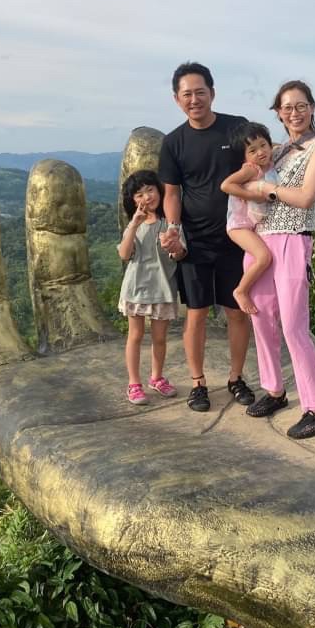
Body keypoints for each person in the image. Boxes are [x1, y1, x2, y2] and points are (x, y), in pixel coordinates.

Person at [238, 80, 315, 439]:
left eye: (300, 105)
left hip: (294, 240)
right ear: (278, 113)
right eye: (287, 107)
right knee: (261, 318)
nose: (294, 113)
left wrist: (267, 189)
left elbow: (306, 198)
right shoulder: (275, 151)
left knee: (294, 326)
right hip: (261, 242)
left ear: (312, 107)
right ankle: (275, 390)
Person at [157, 62, 256, 412]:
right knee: (196, 313)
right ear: (177, 99)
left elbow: (257, 164)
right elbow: (172, 193)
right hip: (195, 241)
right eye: (187, 94)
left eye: (200, 92)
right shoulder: (173, 142)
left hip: (237, 236)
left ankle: (236, 377)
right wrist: (173, 229)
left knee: (236, 311)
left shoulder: (236, 128)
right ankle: (198, 383)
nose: (194, 99)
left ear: (212, 93)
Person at [116, 170, 185, 405]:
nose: (147, 197)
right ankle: (134, 384)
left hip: (163, 289)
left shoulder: (171, 224)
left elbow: (180, 254)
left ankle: (156, 378)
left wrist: (173, 246)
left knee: (160, 338)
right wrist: (134, 225)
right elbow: (124, 254)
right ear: (132, 201)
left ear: (159, 190)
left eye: (150, 190)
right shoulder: (134, 225)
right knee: (135, 336)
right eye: (139, 194)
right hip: (136, 288)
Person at [220, 122, 278, 315]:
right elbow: (226, 185)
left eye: (263, 145)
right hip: (238, 226)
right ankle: (241, 290)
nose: (260, 152)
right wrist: (253, 195)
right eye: (252, 150)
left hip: (251, 225)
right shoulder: (251, 169)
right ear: (244, 157)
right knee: (264, 257)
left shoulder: (269, 164)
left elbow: (275, 147)